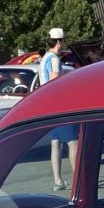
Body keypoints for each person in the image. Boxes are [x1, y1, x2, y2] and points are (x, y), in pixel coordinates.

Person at [40, 27, 76, 189]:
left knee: (56, 144)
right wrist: (70, 78)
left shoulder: (44, 58)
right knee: (73, 142)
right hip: (58, 106)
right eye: (64, 40)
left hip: (47, 105)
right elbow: (55, 78)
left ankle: (58, 180)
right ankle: (78, 180)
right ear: (59, 42)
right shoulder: (54, 59)